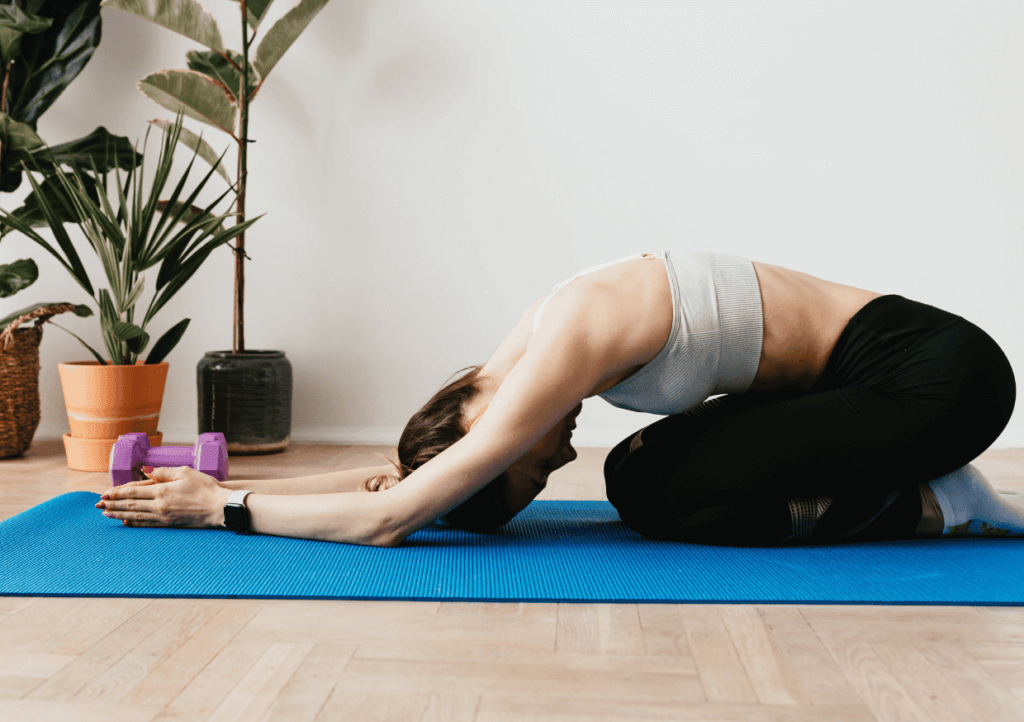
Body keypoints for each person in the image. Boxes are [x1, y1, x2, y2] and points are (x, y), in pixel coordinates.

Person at [97, 250, 1023, 546]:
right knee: (639, 470)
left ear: (469, 416)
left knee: (652, 490)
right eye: (538, 474)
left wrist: (220, 507)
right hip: (878, 384)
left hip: (939, 376)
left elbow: (396, 514)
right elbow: (394, 478)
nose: (546, 456)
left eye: (522, 464)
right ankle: (921, 481)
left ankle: (948, 498)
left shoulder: (563, 341)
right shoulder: (517, 356)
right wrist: (283, 490)